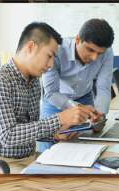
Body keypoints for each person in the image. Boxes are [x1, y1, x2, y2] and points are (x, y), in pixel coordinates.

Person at [0, 22, 101, 174]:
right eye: (49, 56)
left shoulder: (35, 81)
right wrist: (59, 119)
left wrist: (57, 134)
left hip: (30, 157)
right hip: (5, 164)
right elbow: (8, 136)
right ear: (30, 47)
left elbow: (31, 128)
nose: (50, 65)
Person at [39, 18, 115, 152]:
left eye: (99, 53)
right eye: (90, 50)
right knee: (49, 149)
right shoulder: (56, 50)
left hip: (85, 98)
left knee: (85, 143)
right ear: (78, 39)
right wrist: (77, 107)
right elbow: (51, 92)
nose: (94, 58)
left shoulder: (107, 53)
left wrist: (100, 114)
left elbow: (103, 87)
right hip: (55, 102)